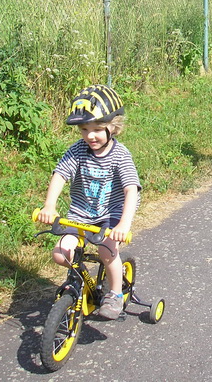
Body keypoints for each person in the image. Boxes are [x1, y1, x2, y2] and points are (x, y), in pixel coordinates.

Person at [36, 84, 141, 320]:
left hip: (112, 213)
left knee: (106, 251)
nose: (90, 136)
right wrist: (49, 206)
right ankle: (78, 283)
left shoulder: (120, 155)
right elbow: (60, 175)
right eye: (84, 129)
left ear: (114, 127)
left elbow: (131, 189)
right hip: (81, 213)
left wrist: (123, 225)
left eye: (97, 129)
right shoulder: (77, 151)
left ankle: (115, 294)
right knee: (61, 254)